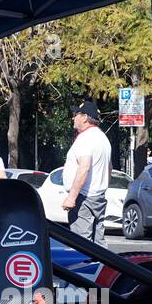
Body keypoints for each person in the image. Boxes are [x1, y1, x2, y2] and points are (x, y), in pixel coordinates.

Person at [60, 101, 112, 244]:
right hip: (98, 197)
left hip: (84, 199)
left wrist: (71, 197)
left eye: (76, 114)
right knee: (98, 245)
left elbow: (84, 167)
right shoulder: (103, 138)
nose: (73, 118)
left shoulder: (85, 138)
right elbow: (109, 168)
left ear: (84, 117)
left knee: (81, 245)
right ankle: (102, 267)